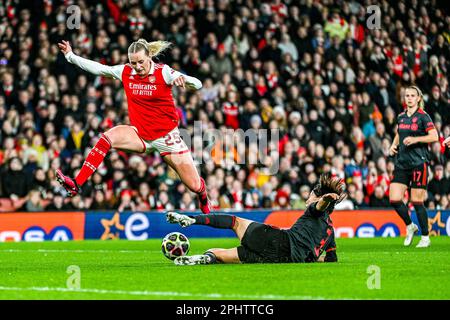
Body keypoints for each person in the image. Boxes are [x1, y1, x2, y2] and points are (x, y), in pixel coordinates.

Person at [55, 39, 211, 213]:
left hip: (167, 138)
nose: (137, 66)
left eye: (141, 62)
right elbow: (99, 68)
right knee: (107, 137)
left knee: (194, 185)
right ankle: (77, 183)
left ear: (150, 57)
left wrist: (184, 79)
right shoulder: (125, 71)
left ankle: (203, 194)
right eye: (133, 62)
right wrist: (70, 56)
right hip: (141, 135)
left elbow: (198, 84)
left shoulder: (164, 72)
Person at [166, 173, 345, 265]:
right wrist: (310, 257)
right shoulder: (330, 231)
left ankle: (191, 219)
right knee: (218, 254)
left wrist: (326, 199)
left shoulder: (315, 210)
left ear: (317, 198)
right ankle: (203, 259)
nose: (309, 197)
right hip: (281, 260)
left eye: (312, 194)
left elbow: (319, 206)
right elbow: (331, 259)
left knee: (235, 222)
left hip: (278, 241)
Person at [389, 86, 439, 248]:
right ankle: (410, 226)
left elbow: (434, 136)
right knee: (394, 199)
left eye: (412, 96)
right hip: (402, 163)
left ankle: (425, 237)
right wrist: (393, 145)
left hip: (418, 163)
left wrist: (415, 140)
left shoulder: (424, 117)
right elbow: (399, 133)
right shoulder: (401, 117)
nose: (409, 98)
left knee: (417, 201)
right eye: (407, 96)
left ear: (418, 98)